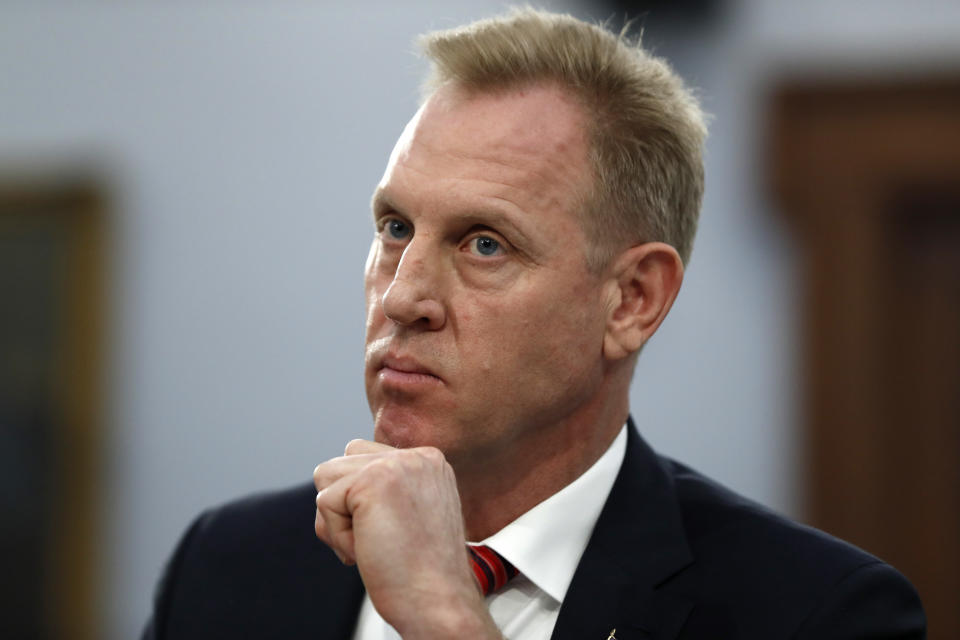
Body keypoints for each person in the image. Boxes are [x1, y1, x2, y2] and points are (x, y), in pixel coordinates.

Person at [142, 9, 926, 639]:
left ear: (632, 301)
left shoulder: (815, 613)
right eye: (393, 229)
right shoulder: (229, 565)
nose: (402, 295)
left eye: (485, 243)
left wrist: (447, 619)